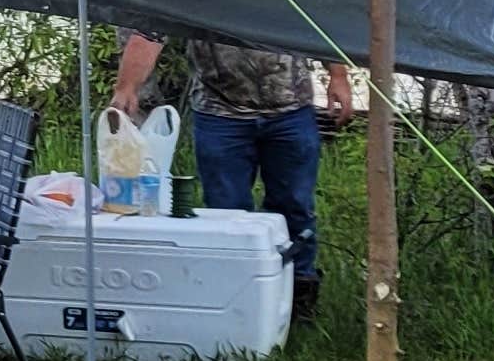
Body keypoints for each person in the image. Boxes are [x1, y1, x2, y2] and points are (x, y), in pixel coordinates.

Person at [111, 28, 351, 321]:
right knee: (226, 213)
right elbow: (150, 32)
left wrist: (338, 76)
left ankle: (298, 298)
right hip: (219, 114)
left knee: (295, 205)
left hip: (291, 111)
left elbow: (315, 21)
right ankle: (236, 301)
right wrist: (127, 87)